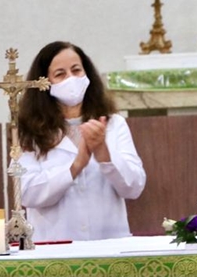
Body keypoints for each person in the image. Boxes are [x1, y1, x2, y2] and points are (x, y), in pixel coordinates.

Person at [18, 41, 146, 241]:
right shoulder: (30, 131)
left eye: (76, 70)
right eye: (60, 74)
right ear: (44, 83)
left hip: (108, 244)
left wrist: (104, 155)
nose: (71, 79)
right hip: (55, 247)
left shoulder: (114, 124)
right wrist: (76, 166)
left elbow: (134, 187)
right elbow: (27, 194)